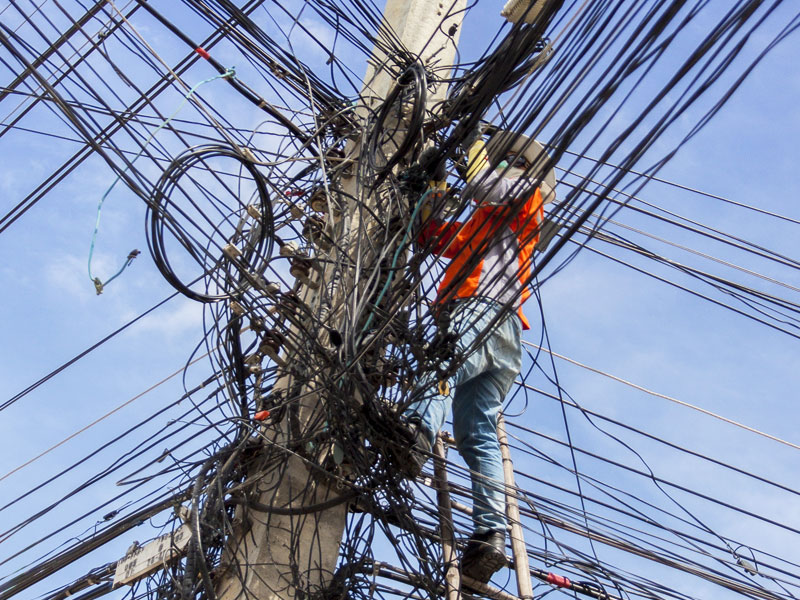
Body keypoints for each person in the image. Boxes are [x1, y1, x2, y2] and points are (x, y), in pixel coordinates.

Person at [394, 127, 546, 583]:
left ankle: (416, 434)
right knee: (476, 432)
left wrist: (473, 150)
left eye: (507, 162)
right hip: (503, 342)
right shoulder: (485, 223)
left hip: (481, 312)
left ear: (517, 166)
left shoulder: (526, 193)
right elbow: (430, 236)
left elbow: (486, 184)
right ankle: (490, 536)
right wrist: (435, 184)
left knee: (441, 363)